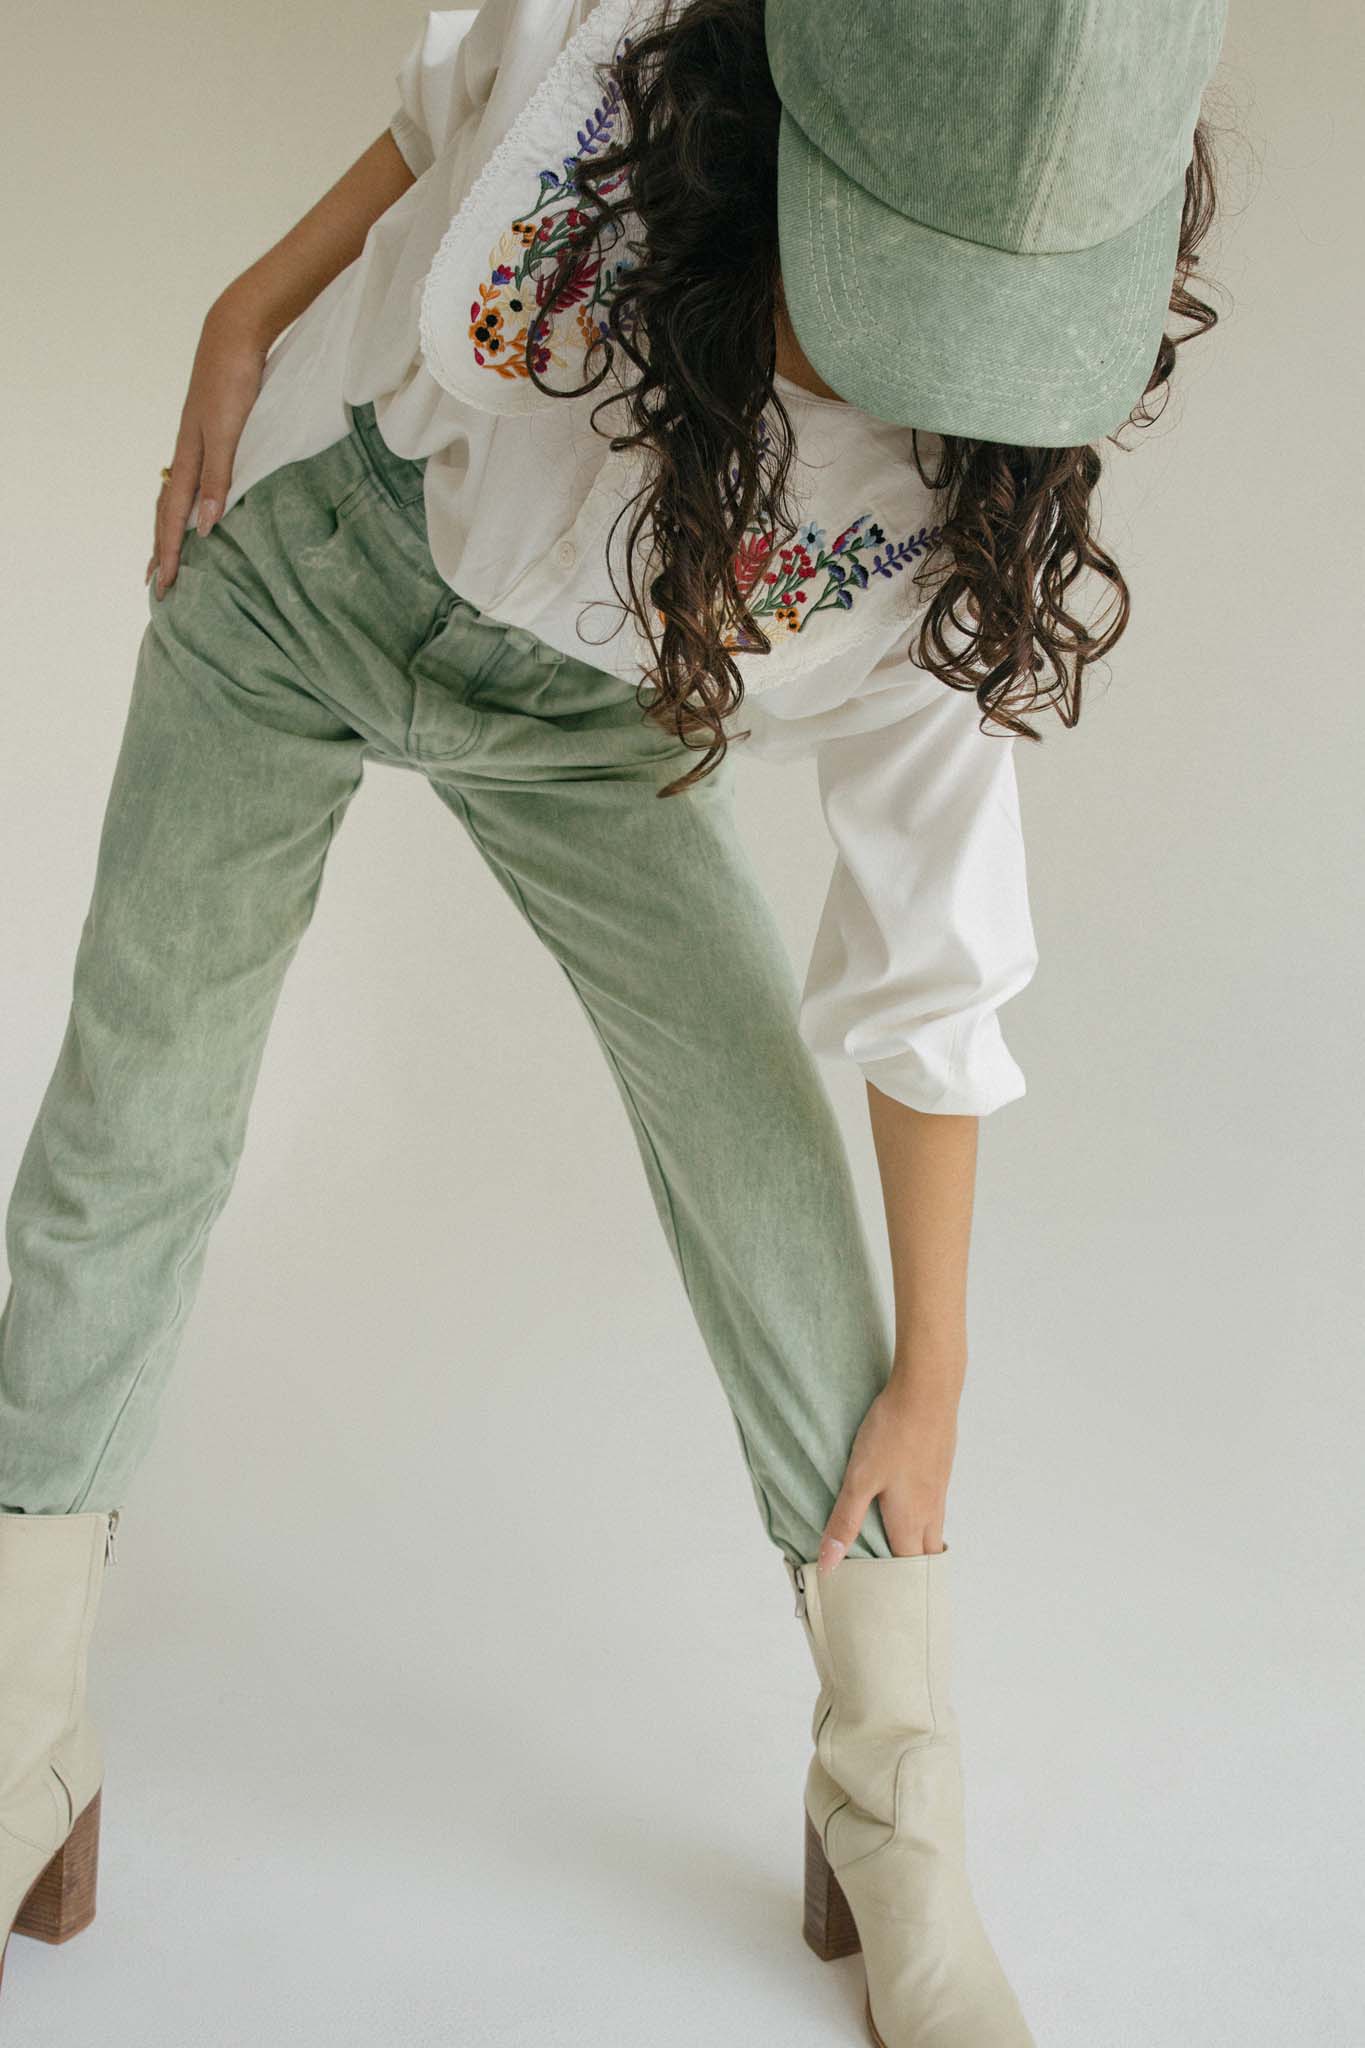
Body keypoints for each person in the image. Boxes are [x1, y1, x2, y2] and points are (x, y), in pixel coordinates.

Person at [0, 0, 1227, 2038]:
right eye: (895, 291)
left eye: (982, 321)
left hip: (598, 724)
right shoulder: (628, 56)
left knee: (768, 1182)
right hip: (305, 577)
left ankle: (895, 1806)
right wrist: (251, 301)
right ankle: (19, 1728)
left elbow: (929, 966)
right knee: (132, 1120)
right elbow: (452, 96)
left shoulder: (959, 491)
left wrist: (933, 1373)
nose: (920, 364)